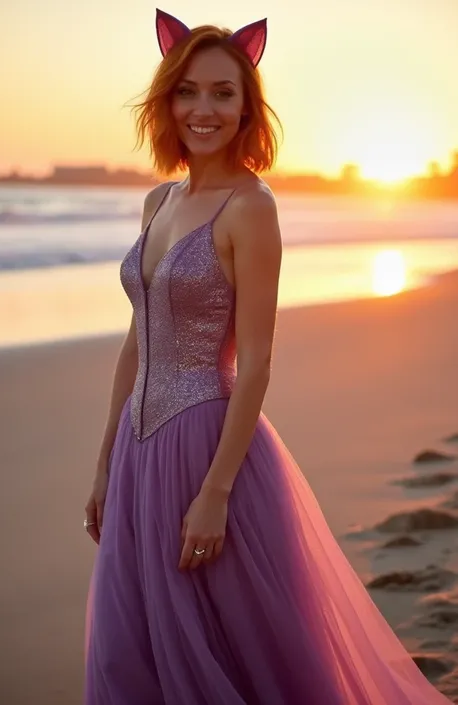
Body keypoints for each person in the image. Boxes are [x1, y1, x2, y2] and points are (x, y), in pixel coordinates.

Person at [84, 9, 454, 705]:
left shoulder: (251, 208)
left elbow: (255, 362)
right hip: (138, 450)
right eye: (188, 90)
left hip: (209, 450)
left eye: (224, 92)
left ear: (249, 106)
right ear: (167, 99)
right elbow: (138, 339)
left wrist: (216, 493)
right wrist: (106, 459)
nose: (204, 108)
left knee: (234, 650)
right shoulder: (158, 201)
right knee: (140, 647)